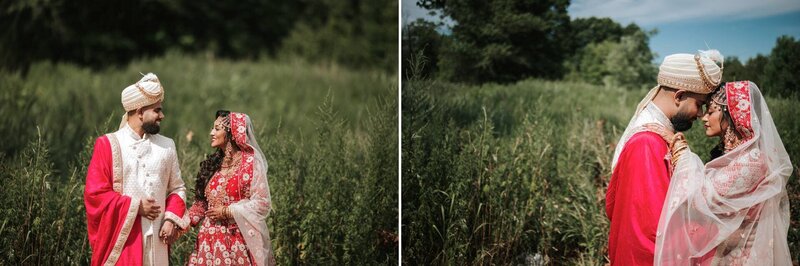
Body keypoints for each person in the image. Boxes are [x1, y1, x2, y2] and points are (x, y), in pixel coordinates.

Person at [653, 81, 792, 265]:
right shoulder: (733, 156)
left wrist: (682, 153)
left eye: (711, 112)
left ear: (733, 115)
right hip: (724, 250)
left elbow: (702, 197)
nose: (703, 118)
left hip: (743, 256)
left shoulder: (754, 160)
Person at [605, 50, 724, 265]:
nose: (699, 115)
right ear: (678, 96)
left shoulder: (657, 133)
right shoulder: (647, 142)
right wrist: (717, 234)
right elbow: (654, 226)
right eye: (699, 104)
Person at [84, 73, 189, 266]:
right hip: (124, 241)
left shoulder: (167, 145)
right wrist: (135, 207)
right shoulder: (108, 144)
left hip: (158, 242)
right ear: (140, 111)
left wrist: (171, 220)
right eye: (157, 110)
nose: (162, 116)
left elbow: (178, 188)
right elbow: (94, 194)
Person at [188, 111, 276, 266]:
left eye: (217, 128)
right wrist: (178, 224)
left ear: (231, 132)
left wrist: (227, 211)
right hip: (207, 244)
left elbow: (262, 203)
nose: (211, 133)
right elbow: (201, 205)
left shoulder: (250, 164)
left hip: (237, 242)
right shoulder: (211, 164)